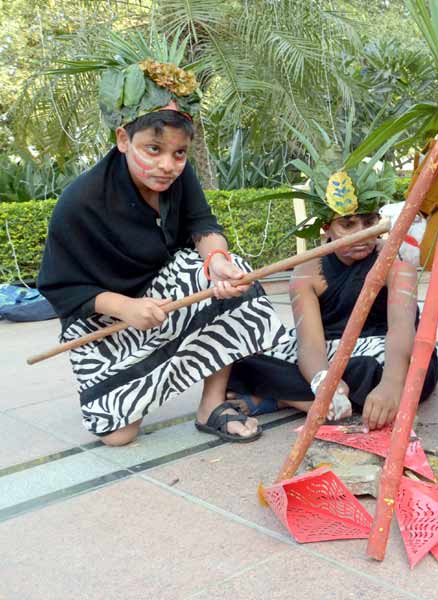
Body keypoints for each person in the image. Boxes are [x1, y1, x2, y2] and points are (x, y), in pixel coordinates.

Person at [37, 58, 288, 445]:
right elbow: (61, 287)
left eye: (179, 153)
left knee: (233, 274)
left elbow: (203, 226)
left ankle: (211, 404)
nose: (167, 165)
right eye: (152, 149)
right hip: (104, 318)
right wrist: (127, 308)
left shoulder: (179, 176)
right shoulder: (80, 201)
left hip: (162, 295)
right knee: (118, 436)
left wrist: (217, 261)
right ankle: (144, 379)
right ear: (123, 140)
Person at [226, 174, 438, 430]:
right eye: (348, 225)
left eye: (369, 221)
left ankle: (289, 398)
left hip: (383, 352)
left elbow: (402, 331)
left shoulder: (395, 262)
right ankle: (315, 398)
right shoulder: (306, 273)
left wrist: (391, 385)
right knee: (237, 361)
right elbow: (310, 346)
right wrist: (322, 379)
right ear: (326, 228)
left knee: (402, 373)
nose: (362, 233)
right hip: (328, 350)